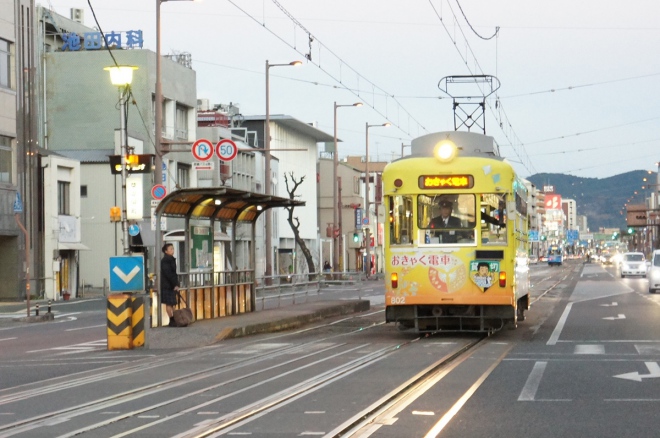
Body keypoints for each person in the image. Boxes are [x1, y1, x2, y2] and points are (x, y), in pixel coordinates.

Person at [160, 243, 180, 327]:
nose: (172, 250)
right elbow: (169, 274)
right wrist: (175, 284)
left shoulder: (170, 259)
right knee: (169, 303)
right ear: (165, 251)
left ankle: (173, 319)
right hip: (167, 285)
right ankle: (172, 320)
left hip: (169, 284)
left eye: (173, 248)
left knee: (172, 303)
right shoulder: (166, 260)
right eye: (170, 249)